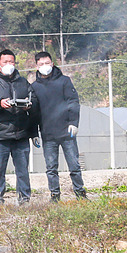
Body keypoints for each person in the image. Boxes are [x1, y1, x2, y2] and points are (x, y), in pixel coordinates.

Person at [0, 49, 39, 204]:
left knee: (23, 171)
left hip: (21, 135)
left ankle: (24, 199)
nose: (9, 65)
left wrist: (28, 106)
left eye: (11, 62)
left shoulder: (23, 82)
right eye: (5, 62)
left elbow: (35, 101)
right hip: (0, 135)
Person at [31, 51, 86, 202]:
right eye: (41, 64)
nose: (44, 66)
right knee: (51, 168)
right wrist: (34, 132)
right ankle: (55, 196)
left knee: (74, 166)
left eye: (47, 63)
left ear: (52, 63)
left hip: (67, 132)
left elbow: (73, 102)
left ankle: (80, 193)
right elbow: (33, 112)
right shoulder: (34, 87)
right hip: (48, 134)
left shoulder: (64, 81)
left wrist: (74, 123)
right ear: (36, 66)